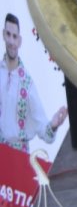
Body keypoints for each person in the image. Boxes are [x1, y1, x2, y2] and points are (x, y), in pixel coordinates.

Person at [0, 14, 67, 153]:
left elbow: (43, 129)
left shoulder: (26, 83)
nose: (11, 41)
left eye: (15, 36)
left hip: (18, 156)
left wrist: (53, 125)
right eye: (8, 34)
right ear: (3, 35)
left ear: (20, 41)